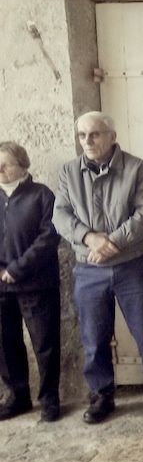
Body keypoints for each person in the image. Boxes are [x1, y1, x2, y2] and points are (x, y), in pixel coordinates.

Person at [53, 111, 143, 424]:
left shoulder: (138, 169)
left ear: (112, 136)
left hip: (132, 266)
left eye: (95, 134)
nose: (87, 141)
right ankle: (101, 396)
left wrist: (110, 242)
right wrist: (89, 238)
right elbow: (60, 215)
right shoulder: (68, 172)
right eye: (82, 135)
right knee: (93, 338)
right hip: (89, 268)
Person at [0, 141, 61, 422]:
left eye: (6, 165)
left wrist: (17, 269)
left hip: (37, 284)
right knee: (6, 344)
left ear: (23, 165)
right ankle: (18, 397)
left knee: (45, 344)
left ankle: (49, 400)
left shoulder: (42, 195)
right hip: (1, 285)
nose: (1, 170)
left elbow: (49, 237)